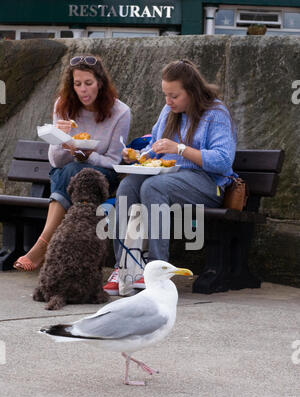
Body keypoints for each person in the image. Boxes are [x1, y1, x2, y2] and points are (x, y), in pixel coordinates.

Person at [103, 58, 237, 296]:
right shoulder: (168, 111)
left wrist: (181, 149)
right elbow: (157, 147)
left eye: (174, 96)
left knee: (154, 187)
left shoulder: (215, 114)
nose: (168, 101)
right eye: (165, 95)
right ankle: (124, 267)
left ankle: (157, 271)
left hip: (207, 184)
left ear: (192, 92)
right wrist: (137, 156)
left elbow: (223, 161)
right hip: (170, 177)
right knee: (127, 188)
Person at [14, 55, 130, 271]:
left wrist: (87, 156)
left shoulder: (120, 112)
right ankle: (47, 247)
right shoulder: (63, 104)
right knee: (68, 169)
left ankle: (42, 245)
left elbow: (113, 162)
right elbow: (55, 161)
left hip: (102, 179)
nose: (83, 90)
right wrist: (60, 139)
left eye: (88, 83)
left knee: (74, 169)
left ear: (100, 83)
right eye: (78, 84)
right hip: (67, 177)